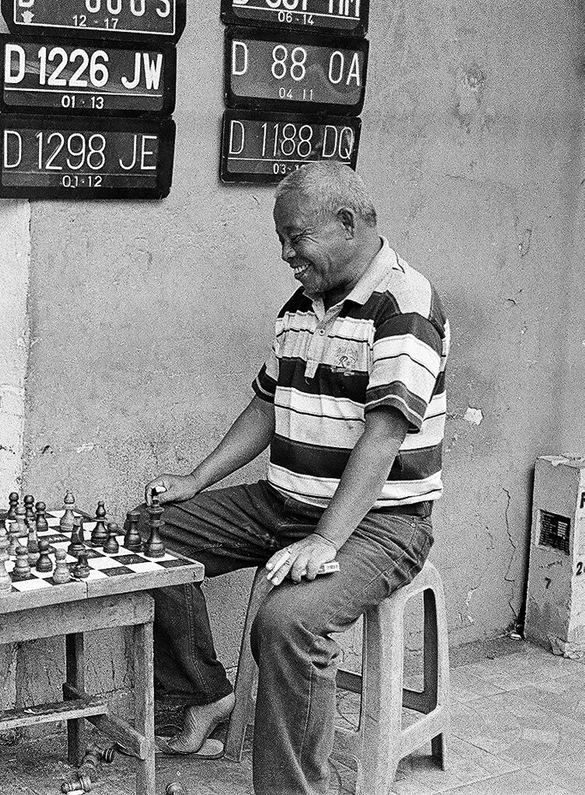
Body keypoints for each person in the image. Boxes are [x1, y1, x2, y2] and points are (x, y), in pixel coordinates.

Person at [139, 162, 448, 795]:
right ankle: (206, 694)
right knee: (148, 534)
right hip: (283, 504)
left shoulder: (405, 304)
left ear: (348, 223)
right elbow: (266, 404)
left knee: (288, 623)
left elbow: (384, 436)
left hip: (381, 525)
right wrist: (196, 479)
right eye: (281, 239)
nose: (286, 254)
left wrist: (326, 540)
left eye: (296, 237)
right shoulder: (301, 306)